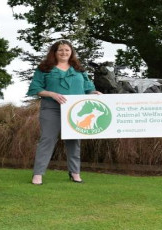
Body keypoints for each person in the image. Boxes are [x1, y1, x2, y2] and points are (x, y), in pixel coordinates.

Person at [27, 40, 101, 185]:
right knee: (47, 140)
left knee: (74, 142)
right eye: (60, 50)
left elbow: (88, 87)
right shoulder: (44, 68)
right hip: (51, 109)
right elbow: (35, 88)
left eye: (67, 50)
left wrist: (93, 92)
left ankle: (75, 173)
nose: (64, 53)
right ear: (54, 52)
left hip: (75, 111)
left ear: (71, 52)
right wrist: (51, 94)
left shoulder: (79, 69)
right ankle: (38, 174)